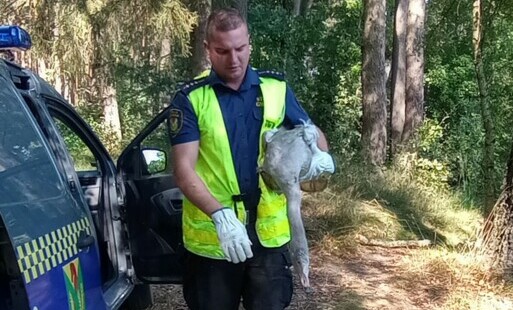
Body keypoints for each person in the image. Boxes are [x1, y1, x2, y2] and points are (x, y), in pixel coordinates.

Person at [169, 8, 329, 310]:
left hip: (268, 239)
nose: (234, 59)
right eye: (223, 51)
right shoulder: (191, 98)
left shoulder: (276, 88)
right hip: (214, 242)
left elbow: (311, 134)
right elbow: (183, 169)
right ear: (207, 50)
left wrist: (319, 152)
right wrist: (220, 216)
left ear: (250, 44)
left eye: (240, 48)